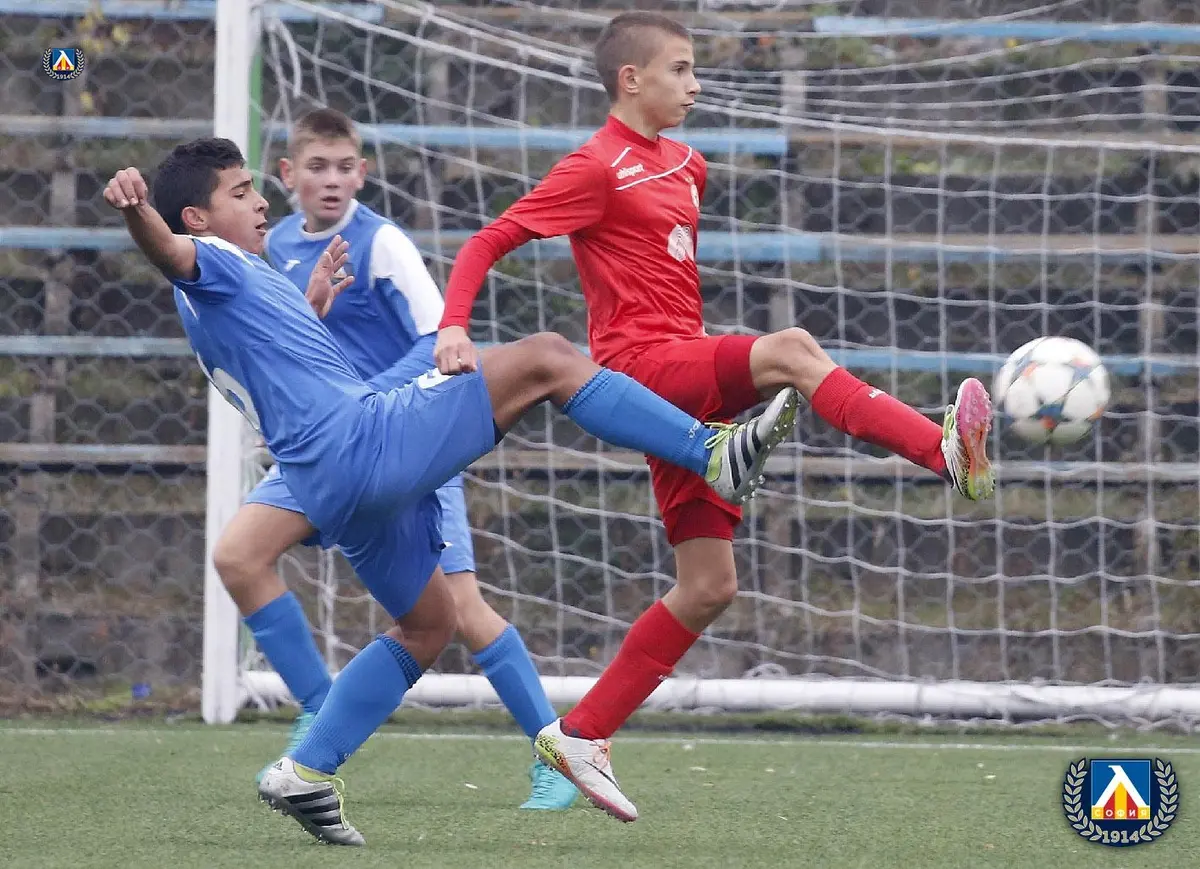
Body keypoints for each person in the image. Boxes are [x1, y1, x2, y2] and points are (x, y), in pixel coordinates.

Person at [102, 137, 798, 845]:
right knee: (547, 358)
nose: (260, 203)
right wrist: (136, 211)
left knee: (430, 625)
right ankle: (711, 453)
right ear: (196, 218)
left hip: (330, 486)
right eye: (241, 192)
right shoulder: (208, 258)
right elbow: (170, 253)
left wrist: (309, 305)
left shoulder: (231, 286)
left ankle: (307, 769)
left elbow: (269, 351)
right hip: (361, 444)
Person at [434, 11, 996, 822]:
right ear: (631, 79)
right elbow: (488, 241)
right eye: (681, 69)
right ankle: (940, 451)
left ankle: (584, 732)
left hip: (680, 377)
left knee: (708, 586)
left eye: (695, 69)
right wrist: (454, 326)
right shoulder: (594, 166)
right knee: (793, 349)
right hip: (638, 371)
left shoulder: (687, 164)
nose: (695, 85)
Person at [210, 107, 579, 809]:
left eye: (345, 167)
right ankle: (318, 714)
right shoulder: (270, 246)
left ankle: (556, 755)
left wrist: (367, 401)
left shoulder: (381, 244)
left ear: (363, 174)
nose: (331, 180)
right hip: (323, 453)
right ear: (287, 174)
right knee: (238, 555)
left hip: (404, 438)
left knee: (461, 609)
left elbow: (440, 336)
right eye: (317, 166)